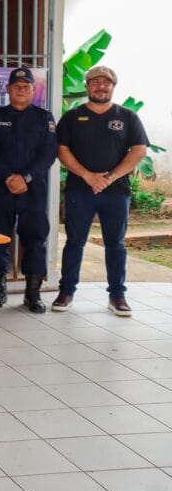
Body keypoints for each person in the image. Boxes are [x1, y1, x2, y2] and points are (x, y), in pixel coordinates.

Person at [53, 65, 148, 316]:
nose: (101, 87)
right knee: (74, 242)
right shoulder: (72, 117)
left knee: (115, 244)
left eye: (106, 83)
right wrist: (87, 175)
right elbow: (62, 150)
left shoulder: (127, 117)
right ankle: (66, 291)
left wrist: (109, 177)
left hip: (116, 192)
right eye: (95, 82)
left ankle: (117, 295)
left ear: (113, 87)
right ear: (87, 86)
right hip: (79, 190)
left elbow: (139, 150)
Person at [0, 67, 57, 314]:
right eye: (16, 86)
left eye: (26, 86)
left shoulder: (45, 118)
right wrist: (9, 177)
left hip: (33, 189)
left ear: (34, 90)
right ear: (8, 89)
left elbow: (48, 154)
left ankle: (32, 293)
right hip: (1, 187)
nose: (21, 89)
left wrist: (25, 177)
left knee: (35, 239)